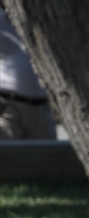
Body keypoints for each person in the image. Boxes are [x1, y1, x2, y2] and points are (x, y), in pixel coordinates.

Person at [0, 7, 56, 140]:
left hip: (40, 105)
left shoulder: (39, 16)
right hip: (8, 104)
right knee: (6, 157)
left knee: (48, 157)